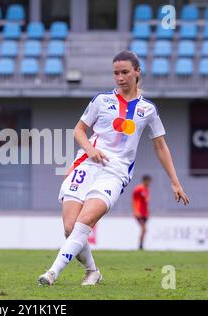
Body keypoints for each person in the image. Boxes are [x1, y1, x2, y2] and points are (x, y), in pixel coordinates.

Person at [37, 50, 190, 287]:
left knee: (83, 222)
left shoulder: (148, 109)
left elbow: (160, 146)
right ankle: (93, 271)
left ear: (137, 72)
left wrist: (175, 181)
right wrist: (90, 149)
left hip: (115, 172)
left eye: (125, 72)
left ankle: (52, 273)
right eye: (116, 73)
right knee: (69, 227)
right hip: (86, 164)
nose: (119, 78)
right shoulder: (101, 100)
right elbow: (79, 130)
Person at [133, 175, 152, 250]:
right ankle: (140, 246)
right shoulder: (138, 189)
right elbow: (133, 201)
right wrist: (135, 211)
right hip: (139, 213)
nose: (150, 183)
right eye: (149, 181)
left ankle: (141, 245)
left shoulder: (146, 189)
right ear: (145, 181)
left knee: (144, 230)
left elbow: (146, 202)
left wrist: (148, 212)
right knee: (144, 229)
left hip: (144, 213)